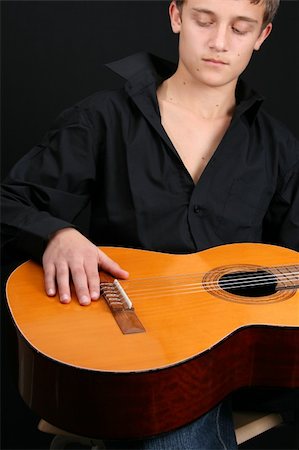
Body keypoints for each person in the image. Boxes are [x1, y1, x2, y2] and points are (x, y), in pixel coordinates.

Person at [2, 0, 299, 448]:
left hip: (231, 358)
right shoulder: (102, 118)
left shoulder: (279, 148)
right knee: (166, 428)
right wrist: (56, 236)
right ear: (176, 16)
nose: (219, 42)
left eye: (240, 28)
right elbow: (11, 201)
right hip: (120, 346)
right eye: (204, 20)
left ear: (262, 37)